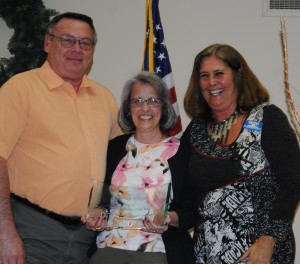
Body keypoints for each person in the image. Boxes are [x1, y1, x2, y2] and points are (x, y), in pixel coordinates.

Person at [0, 12, 121, 263]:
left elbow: (121, 163)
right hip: (31, 233)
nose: (77, 49)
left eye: (85, 43)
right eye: (67, 40)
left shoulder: (105, 99)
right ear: (48, 43)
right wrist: (5, 234)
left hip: (85, 239)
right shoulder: (20, 89)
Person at [180, 43, 300, 264]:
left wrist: (269, 238)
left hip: (261, 251)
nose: (211, 82)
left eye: (219, 74)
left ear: (237, 75)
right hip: (206, 252)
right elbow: (183, 186)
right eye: (204, 76)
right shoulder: (196, 130)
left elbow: (293, 181)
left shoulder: (267, 118)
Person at [87, 71, 197, 264]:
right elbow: (102, 198)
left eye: (153, 101)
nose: (145, 108)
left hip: (157, 252)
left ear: (163, 106)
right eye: (137, 101)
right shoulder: (114, 147)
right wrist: (98, 212)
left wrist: (169, 217)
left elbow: (193, 209)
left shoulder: (183, 152)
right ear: (128, 108)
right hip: (109, 249)